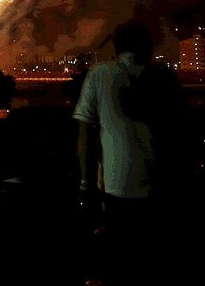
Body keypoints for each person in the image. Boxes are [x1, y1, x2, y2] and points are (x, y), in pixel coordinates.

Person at [73, 21, 180, 285]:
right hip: (161, 188)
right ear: (148, 47)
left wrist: (86, 183)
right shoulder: (165, 78)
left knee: (118, 263)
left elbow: (84, 133)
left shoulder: (99, 74)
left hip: (115, 189)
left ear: (116, 47)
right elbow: (180, 132)